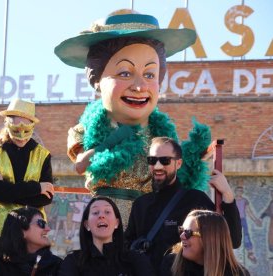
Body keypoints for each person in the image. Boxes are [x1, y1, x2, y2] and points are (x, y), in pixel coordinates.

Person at [55, 9, 212, 226]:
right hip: (106, 227)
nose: (139, 86)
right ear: (97, 79)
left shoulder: (162, 138)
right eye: (125, 73)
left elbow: (177, 183)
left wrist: (195, 158)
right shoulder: (85, 131)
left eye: (149, 75)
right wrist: (115, 140)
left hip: (148, 228)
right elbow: (81, 165)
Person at [124, 137, 242, 270]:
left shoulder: (196, 199)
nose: (158, 166)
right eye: (152, 160)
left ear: (178, 163)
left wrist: (228, 194)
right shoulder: (140, 204)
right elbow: (126, 247)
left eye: (165, 160)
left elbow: (233, 240)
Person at [0, 98, 54, 252]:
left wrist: (6, 189)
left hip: (33, 231)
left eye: (26, 130)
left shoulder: (43, 155)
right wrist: (36, 188)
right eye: (16, 130)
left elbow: (46, 197)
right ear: (7, 125)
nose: (21, 137)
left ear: (32, 127)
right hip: (0, 230)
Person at [58, 196, 156, 276]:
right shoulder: (73, 262)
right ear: (87, 225)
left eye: (107, 212)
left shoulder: (136, 260)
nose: (101, 216)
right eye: (95, 212)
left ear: (117, 223)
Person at [160, 210, 250, 276]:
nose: (182, 236)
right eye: (181, 230)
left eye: (188, 232)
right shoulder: (171, 265)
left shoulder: (237, 273)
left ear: (209, 239)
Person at [0, 207, 62, 276]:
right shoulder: (0, 266)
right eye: (41, 223)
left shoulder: (58, 266)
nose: (48, 229)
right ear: (21, 231)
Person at [234, 185, 262, 264]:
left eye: (241, 191)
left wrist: (255, 220)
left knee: (246, 235)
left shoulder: (244, 200)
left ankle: (250, 252)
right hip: (235, 220)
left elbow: (249, 212)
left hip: (242, 220)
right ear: (236, 191)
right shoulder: (233, 200)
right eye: (238, 190)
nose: (239, 192)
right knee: (234, 235)